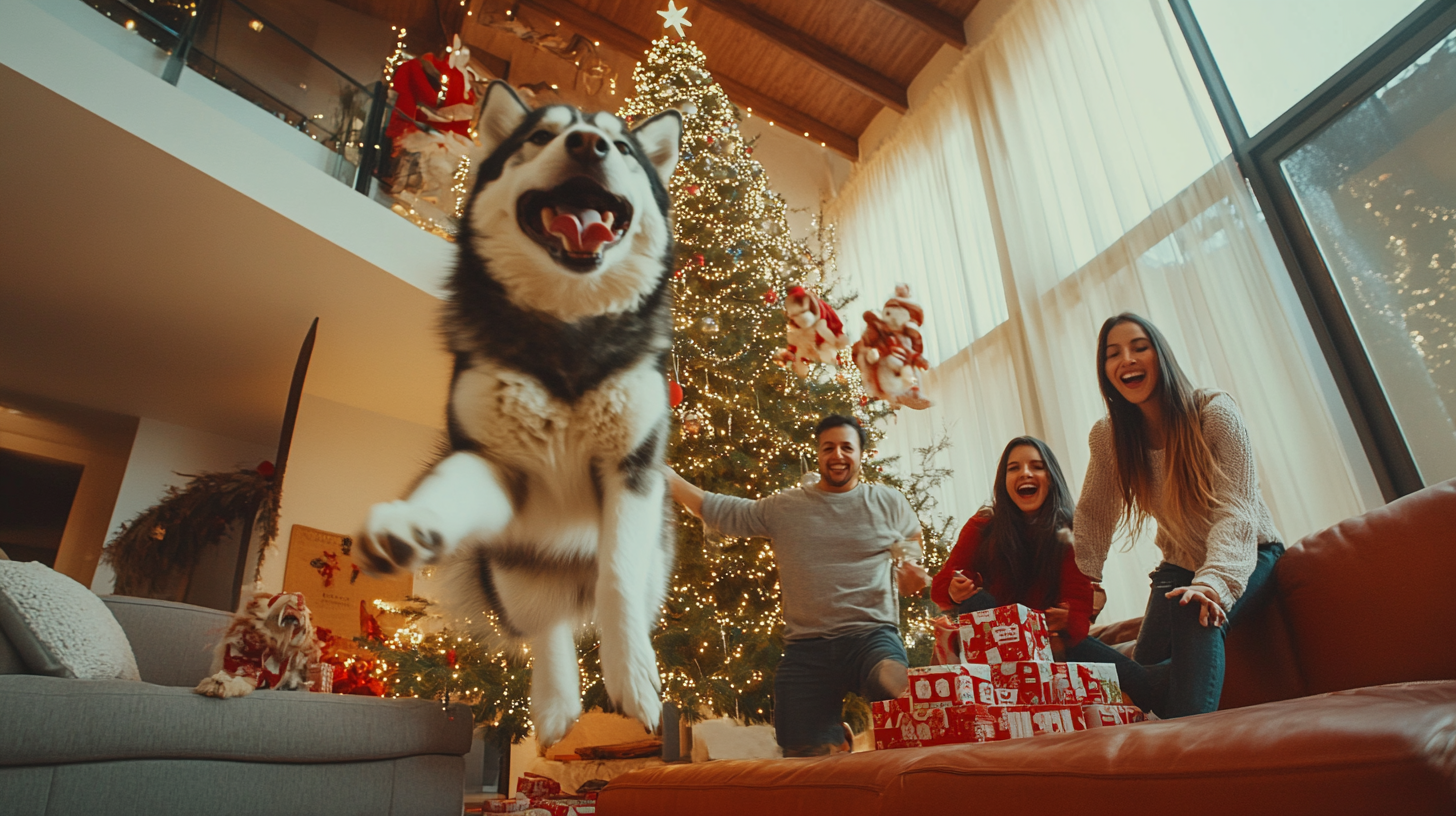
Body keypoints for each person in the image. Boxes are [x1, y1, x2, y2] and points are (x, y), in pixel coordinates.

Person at [664, 414, 932, 756]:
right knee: (799, 748)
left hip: (871, 635)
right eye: (828, 447)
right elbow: (725, 511)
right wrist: (670, 480)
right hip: (808, 647)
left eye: (847, 447)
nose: (837, 455)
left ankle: (874, 701)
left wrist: (911, 566)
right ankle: (835, 738)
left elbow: (911, 536)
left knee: (891, 680)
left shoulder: (887, 502)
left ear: (861, 455)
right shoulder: (786, 507)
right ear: (818, 454)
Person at [1075, 312, 1284, 718]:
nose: (1127, 360)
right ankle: (1159, 684)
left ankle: (1191, 748)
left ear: (1161, 355)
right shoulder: (1110, 438)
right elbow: (1093, 516)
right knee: (1141, 672)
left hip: (1248, 552)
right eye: (1112, 354)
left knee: (1194, 607)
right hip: (1177, 564)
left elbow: (1237, 512)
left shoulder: (1214, 412)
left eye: (1139, 347)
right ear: (1105, 372)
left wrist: (1213, 583)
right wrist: (1082, 587)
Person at [930, 437, 1094, 649]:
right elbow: (942, 585)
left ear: (1051, 478)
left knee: (1139, 677)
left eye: (1037, 466)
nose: (1025, 473)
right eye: (1014, 468)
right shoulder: (982, 525)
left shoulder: (1071, 532)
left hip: (1048, 641)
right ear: (1004, 481)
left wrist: (1067, 618)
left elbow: (1079, 604)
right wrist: (954, 590)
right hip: (995, 643)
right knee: (978, 602)